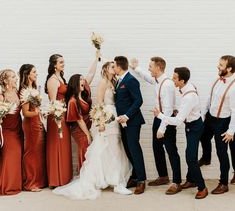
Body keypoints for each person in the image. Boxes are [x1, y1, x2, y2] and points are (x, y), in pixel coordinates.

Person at [53, 61, 132, 200]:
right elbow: (100, 103)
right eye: (112, 66)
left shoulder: (115, 82)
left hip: (115, 116)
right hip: (107, 118)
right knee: (112, 148)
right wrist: (101, 121)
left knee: (115, 148)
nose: (115, 68)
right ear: (106, 69)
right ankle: (117, 183)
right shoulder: (102, 83)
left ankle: (114, 179)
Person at [153, 67, 208, 199]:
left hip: (194, 127)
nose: (173, 79)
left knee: (190, 158)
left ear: (182, 81)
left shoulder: (189, 96)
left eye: (175, 78)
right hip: (191, 125)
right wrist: (181, 110)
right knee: (191, 155)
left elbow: (178, 121)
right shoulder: (187, 87)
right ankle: (192, 180)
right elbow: (186, 111)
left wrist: (160, 115)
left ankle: (202, 187)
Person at [130, 57, 182, 195]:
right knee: (157, 147)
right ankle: (163, 176)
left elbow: (169, 109)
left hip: (167, 120)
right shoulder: (158, 80)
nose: (149, 68)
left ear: (158, 68)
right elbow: (148, 77)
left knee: (171, 151)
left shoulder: (167, 85)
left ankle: (176, 182)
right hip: (158, 118)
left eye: (150, 66)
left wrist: (162, 128)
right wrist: (136, 68)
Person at [199, 55, 235, 194]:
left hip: (223, 122)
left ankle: (223, 183)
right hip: (210, 117)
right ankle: (206, 157)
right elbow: (210, 97)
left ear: (229, 68)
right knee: (203, 137)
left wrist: (231, 131)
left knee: (222, 153)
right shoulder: (217, 80)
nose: (218, 66)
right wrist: (204, 114)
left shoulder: (233, 87)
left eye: (221, 65)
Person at [114, 56, 146, 195]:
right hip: (123, 122)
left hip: (132, 122)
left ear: (119, 67)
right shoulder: (119, 81)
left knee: (134, 149)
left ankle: (141, 180)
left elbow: (138, 100)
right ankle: (134, 176)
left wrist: (127, 115)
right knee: (127, 149)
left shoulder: (131, 80)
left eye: (114, 66)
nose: (113, 68)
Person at [65, 50, 101, 174]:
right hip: (79, 129)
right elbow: (79, 120)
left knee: (91, 150)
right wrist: (87, 134)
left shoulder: (84, 93)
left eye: (83, 79)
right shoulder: (73, 101)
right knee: (85, 147)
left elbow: (91, 73)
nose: (83, 80)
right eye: (81, 79)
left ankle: (91, 174)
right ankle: (83, 174)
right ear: (75, 83)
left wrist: (96, 58)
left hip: (88, 126)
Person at [45, 54, 73, 188]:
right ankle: (56, 179)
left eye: (64, 61)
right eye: (61, 62)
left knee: (64, 145)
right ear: (54, 64)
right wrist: (58, 118)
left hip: (63, 115)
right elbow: (53, 102)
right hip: (57, 116)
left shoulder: (61, 77)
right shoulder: (52, 80)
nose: (63, 64)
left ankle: (64, 177)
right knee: (57, 145)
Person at [19, 64, 47, 191]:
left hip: (38, 122)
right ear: (27, 74)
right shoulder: (24, 91)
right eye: (34, 72)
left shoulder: (34, 89)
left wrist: (41, 113)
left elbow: (35, 108)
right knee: (31, 153)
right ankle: (30, 183)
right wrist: (38, 113)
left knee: (38, 152)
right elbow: (25, 113)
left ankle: (39, 181)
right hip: (30, 125)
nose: (36, 74)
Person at [0, 69, 22, 195]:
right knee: (10, 155)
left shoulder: (17, 92)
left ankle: (15, 184)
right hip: (7, 130)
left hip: (18, 128)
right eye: (13, 77)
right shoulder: (1, 96)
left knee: (17, 155)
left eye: (15, 76)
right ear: (5, 80)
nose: (15, 79)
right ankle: (7, 186)